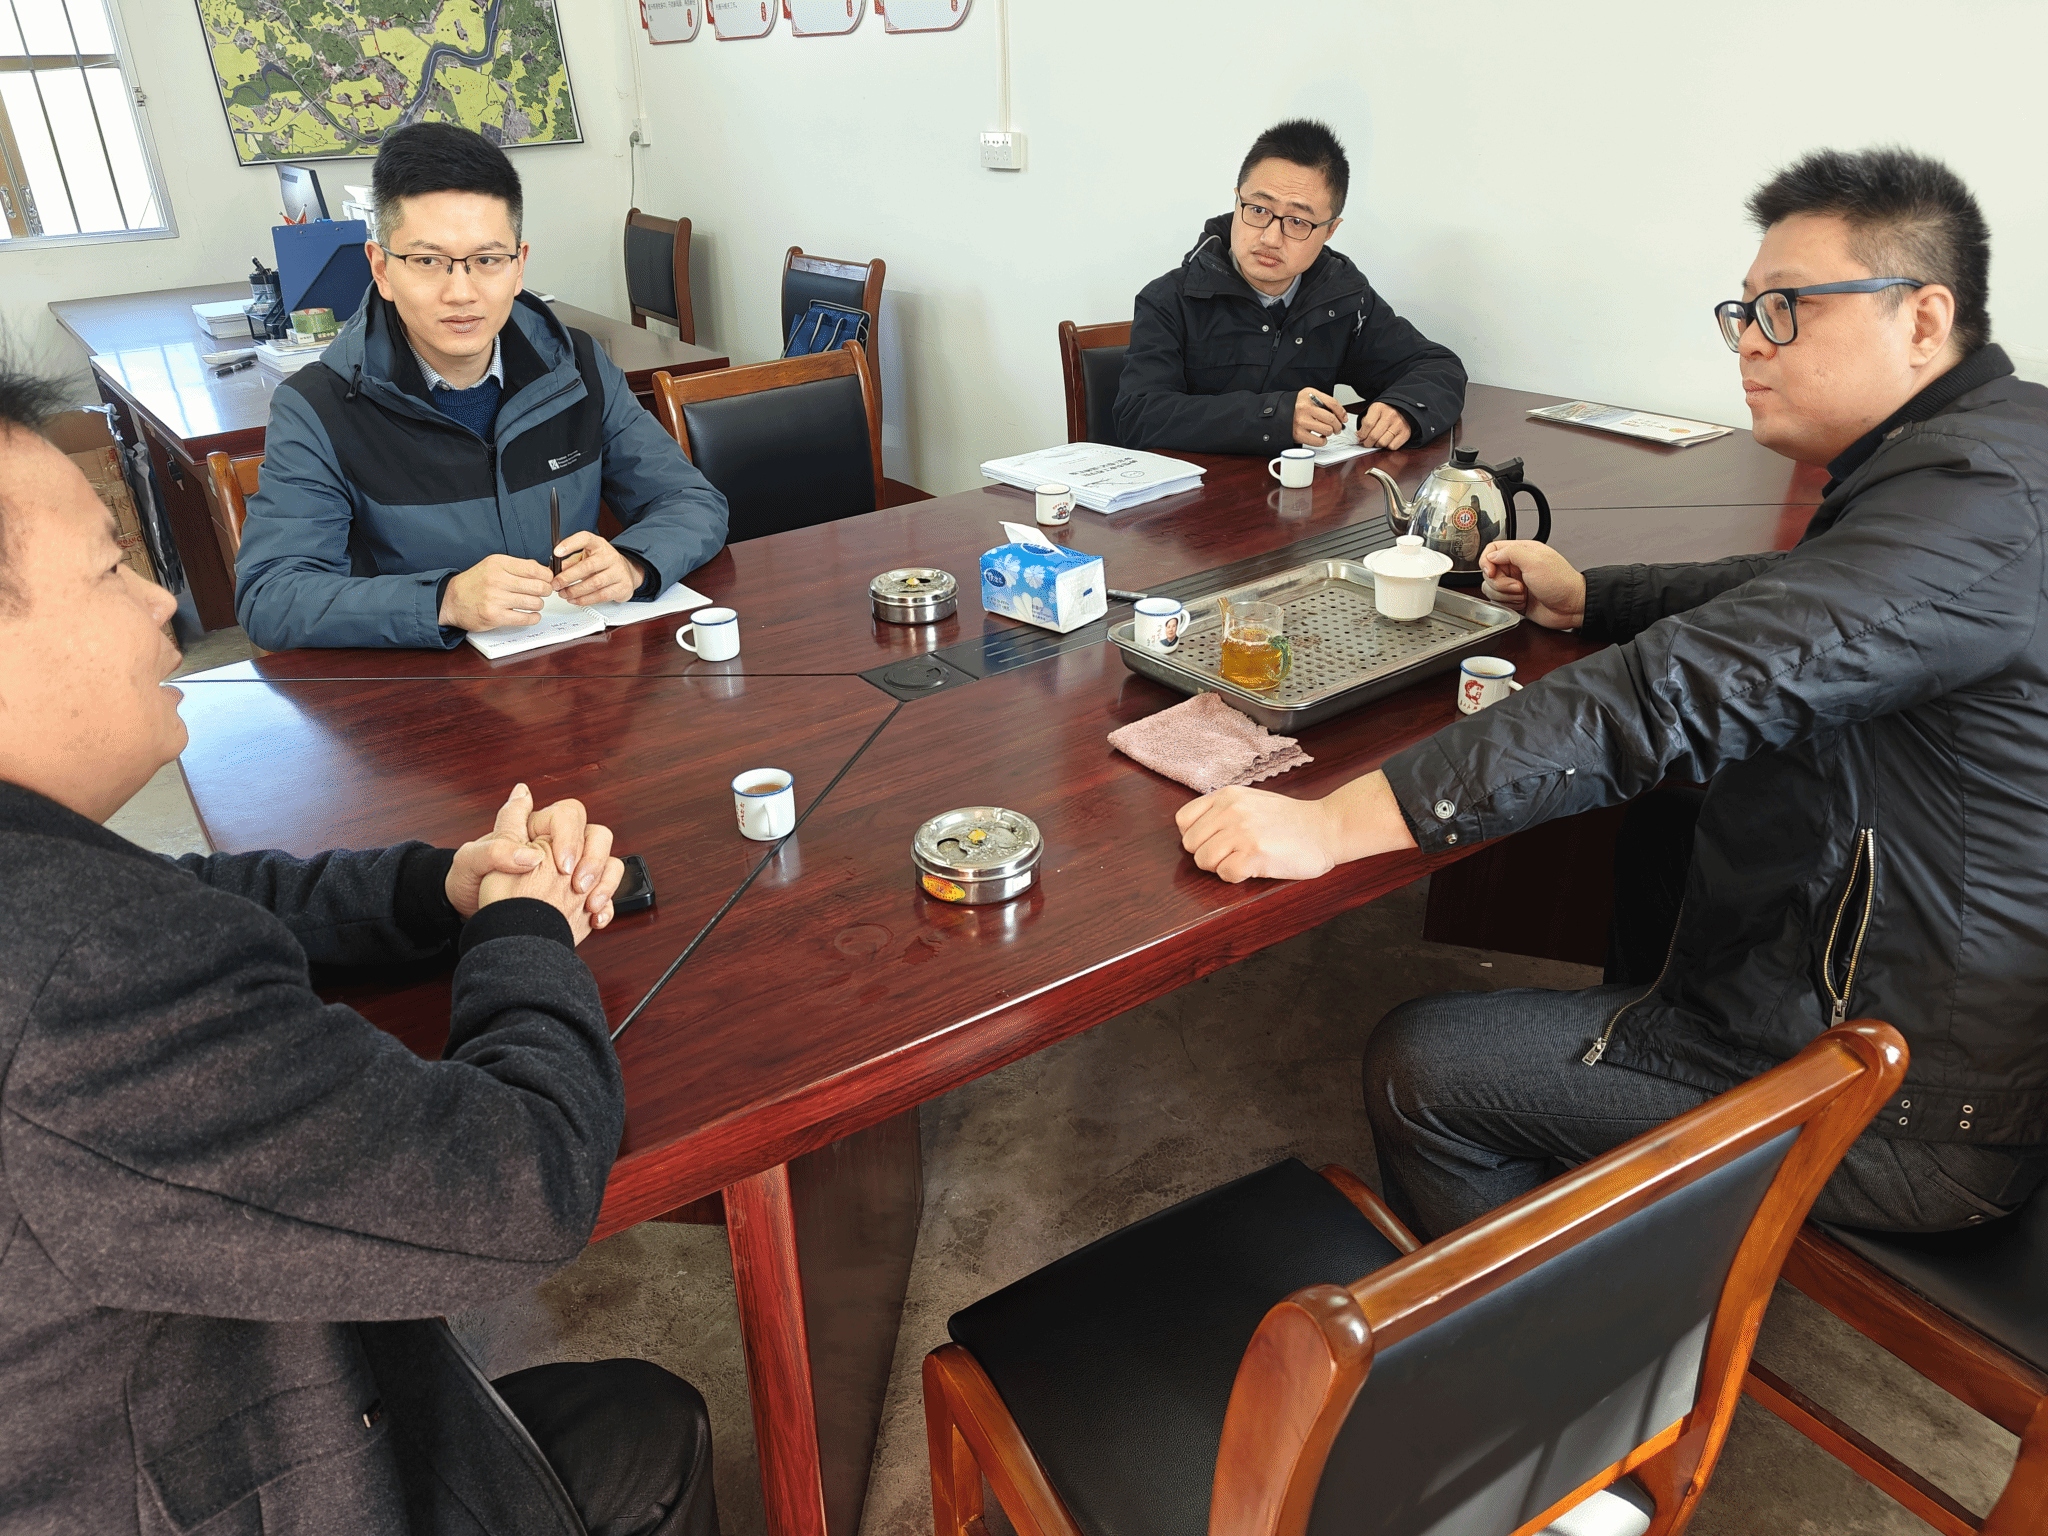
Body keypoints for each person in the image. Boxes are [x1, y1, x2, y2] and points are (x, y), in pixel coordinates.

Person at [1175, 147, 2048, 1240]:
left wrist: (1335, 823)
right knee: (1663, 830)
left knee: (1421, 1063)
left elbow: (1676, 689)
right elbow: (1799, 595)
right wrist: (1596, 596)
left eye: (1785, 310)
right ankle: (1624, 1151)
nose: (1750, 341)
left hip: (1907, 1103)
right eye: (1744, 312)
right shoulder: (1991, 450)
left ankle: (1559, 1336)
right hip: (1918, 1004)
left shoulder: (1974, 502)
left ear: (1922, 319)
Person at [0, 368, 717, 1535]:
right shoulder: (81, 977)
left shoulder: (56, 893)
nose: (163, 600)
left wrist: (443, 885)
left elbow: (190, 894)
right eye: (110, 568)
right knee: (646, 1428)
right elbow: (523, 1185)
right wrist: (523, 925)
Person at [235, 123, 728, 651]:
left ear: (519, 267)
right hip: (426, 689)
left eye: (488, 260)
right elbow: (271, 595)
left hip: (577, 672)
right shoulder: (317, 407)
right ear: (381, 269)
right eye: (428, 261)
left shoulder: (577, 367)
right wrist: (443, 601)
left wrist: (633, 563)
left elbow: (691, 501)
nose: (461, 293)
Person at [1113, 118, 1467, 456]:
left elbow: (1437, 367)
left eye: (1297, 221)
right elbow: (1138, 414)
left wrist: (1403, 409)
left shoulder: (1340, 296)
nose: (1270, 237)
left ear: (1330, 230)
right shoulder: (1170, 299)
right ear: (1237, 200)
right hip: (1201, 494)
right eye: (1258, 210)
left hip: (1304, 493)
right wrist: (1274, 417)